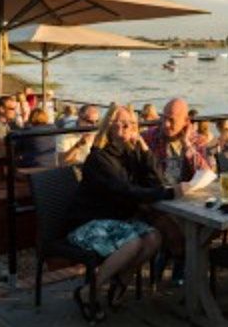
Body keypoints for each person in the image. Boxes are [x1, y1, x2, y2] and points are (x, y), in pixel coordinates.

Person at [67, 106, 169, 320]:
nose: (124, 128)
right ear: (109, 127)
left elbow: (156, 180)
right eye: (119, 123)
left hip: (118, 221)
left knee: (154, 237)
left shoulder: (130, 154)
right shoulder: (100, 158)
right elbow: (127, 190)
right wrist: (167, 193)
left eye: (130, 124)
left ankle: (120, 283)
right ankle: (88, 293)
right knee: (132, 243)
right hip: (88, 223)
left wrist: (143, 148)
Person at [142, 98, 211, 183]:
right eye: (164, 118)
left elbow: (206, 175)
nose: (166, 124)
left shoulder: (198, 141)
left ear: (185, 121)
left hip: (185, 192)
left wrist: (186, 144)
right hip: (158, 191)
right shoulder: (150, 136)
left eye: (172, 120)